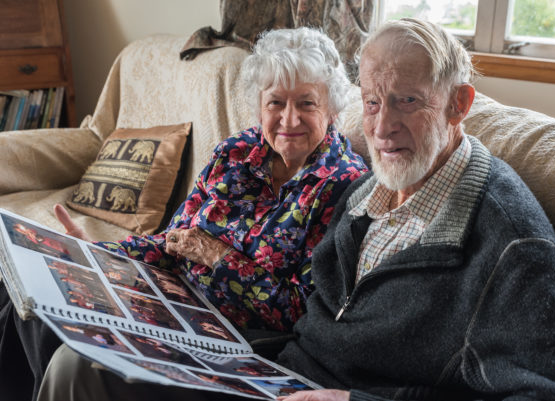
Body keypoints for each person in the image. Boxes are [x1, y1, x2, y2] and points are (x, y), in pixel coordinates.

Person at [37, 18, 555, 401]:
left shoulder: (509, 241)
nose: (381, 128)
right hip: (273, 368)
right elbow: (317, 317)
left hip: (311, 381)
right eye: (374, 103)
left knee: (80, 370)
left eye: (407, 101)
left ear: (459, 104)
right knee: (63, 338)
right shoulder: (373, 192)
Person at [0, 27, 368, 401]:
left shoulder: (343, 186)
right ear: (259, 105)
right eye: (276, 103)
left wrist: (218, 256)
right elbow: (174, 242)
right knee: (26, 304)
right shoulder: (236, 152)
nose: (289, 120)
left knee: (73, 360)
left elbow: (303, 311)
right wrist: (98, 254)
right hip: (169, 299)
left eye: (306, 104)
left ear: (333, 108)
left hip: (237, 337)